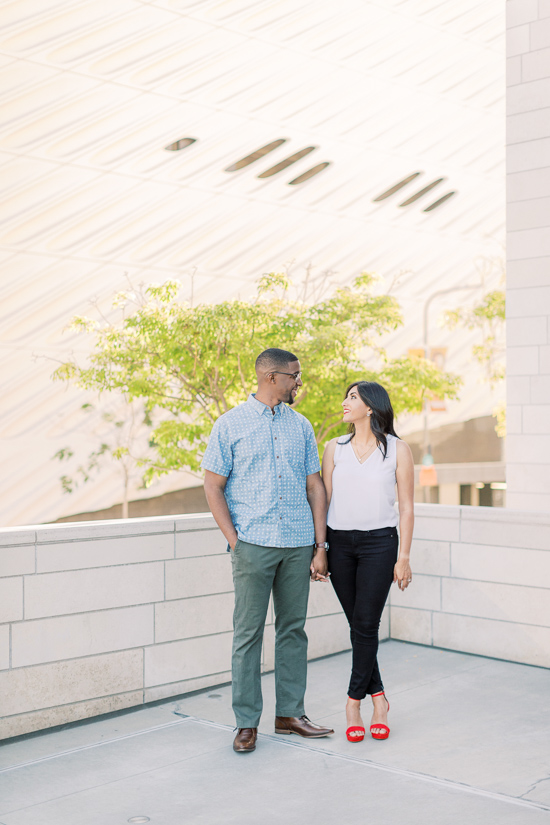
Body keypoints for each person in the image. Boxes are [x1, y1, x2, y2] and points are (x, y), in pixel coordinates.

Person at [202, 348, 334, 753]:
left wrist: (319, 546)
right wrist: (235, 541)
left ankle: (290, 714)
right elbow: (212, 486)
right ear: (271, 377)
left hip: (297, 544)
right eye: (294, 376)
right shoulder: (230, 425)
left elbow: (314, 486)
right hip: (253, 546)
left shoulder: (302, 427)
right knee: (247, 635)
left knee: (293, 632)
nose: (299, 382)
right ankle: (246, 723)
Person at [320, 381, 414, 743]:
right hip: (340, 544)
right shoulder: (334, 449)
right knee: (360, 627)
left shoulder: (397, 449)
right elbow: (323, 504)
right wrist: (321, 548)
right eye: (345, 396)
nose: (345, 402)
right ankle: (380, 699)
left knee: (365, 624)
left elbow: (406, 508)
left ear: (371, 407)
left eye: (352, 398)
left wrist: (403, 556)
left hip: (380, 545)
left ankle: (352, 703)